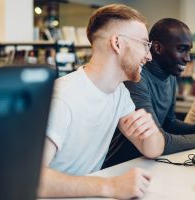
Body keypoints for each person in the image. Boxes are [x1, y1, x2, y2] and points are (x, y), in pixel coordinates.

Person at [37, 4, 165, 199]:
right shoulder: (62, 98)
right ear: (117, 43)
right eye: (144, 44)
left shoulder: (119, 92)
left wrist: (151, 132)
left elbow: (152, 149)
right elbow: (34, 179)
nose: (148, 56)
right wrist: (111, 187)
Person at [103, 18, 195, 168]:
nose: (187, 58)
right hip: (118, 167)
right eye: (182, 49)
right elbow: (155, 140)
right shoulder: (136, 80)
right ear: (157, 48)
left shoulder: (170, 77)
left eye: (189, 51)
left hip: (146, 165)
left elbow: (169, 122)